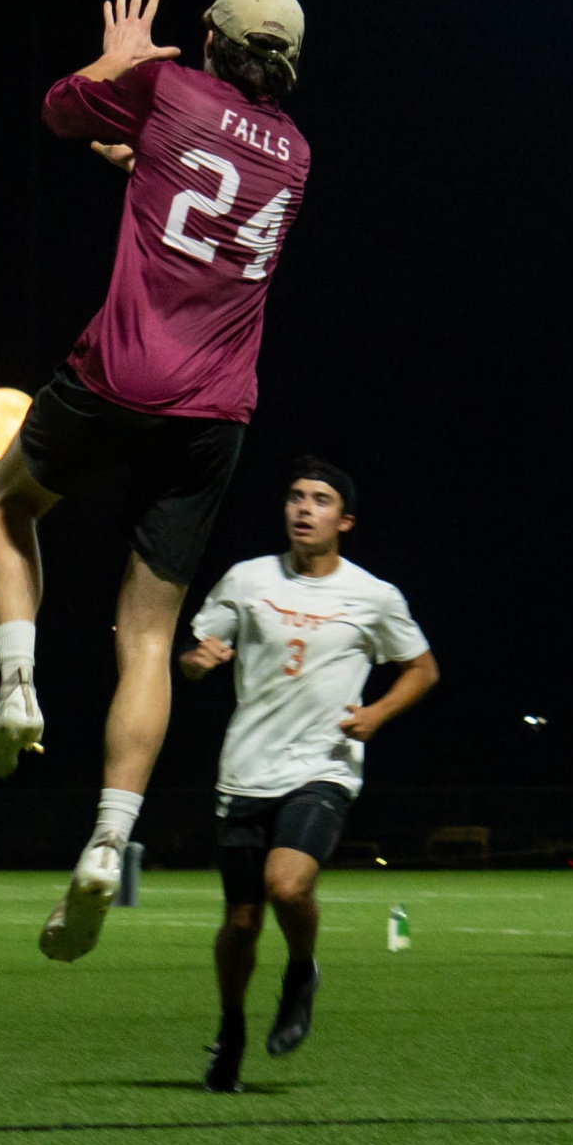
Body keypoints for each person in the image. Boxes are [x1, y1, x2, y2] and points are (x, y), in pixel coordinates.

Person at [0, 0, 313, 965]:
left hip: (119, 375)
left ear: (206, 37)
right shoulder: (295, 153)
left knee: (7, 507)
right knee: (149, 633)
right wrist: (142, 154)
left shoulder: (166, 87)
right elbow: (202, 195)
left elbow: (57, 109)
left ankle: (20, 686)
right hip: (215, 412)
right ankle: (110, 837)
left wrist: (116, 62)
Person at [177, 458, 436, 1093]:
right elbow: (190, 659)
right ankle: (231, 1030)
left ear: (343, 520)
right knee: (240, 919)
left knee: (286, 887)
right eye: (295, 496)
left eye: (319, 500)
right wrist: (198, 661)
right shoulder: (247, 579)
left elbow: (423, 669)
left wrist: (376, 712)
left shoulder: (373, 595)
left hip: (323, 767)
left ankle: (300, 972)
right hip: (245, 769)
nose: (303, 508)